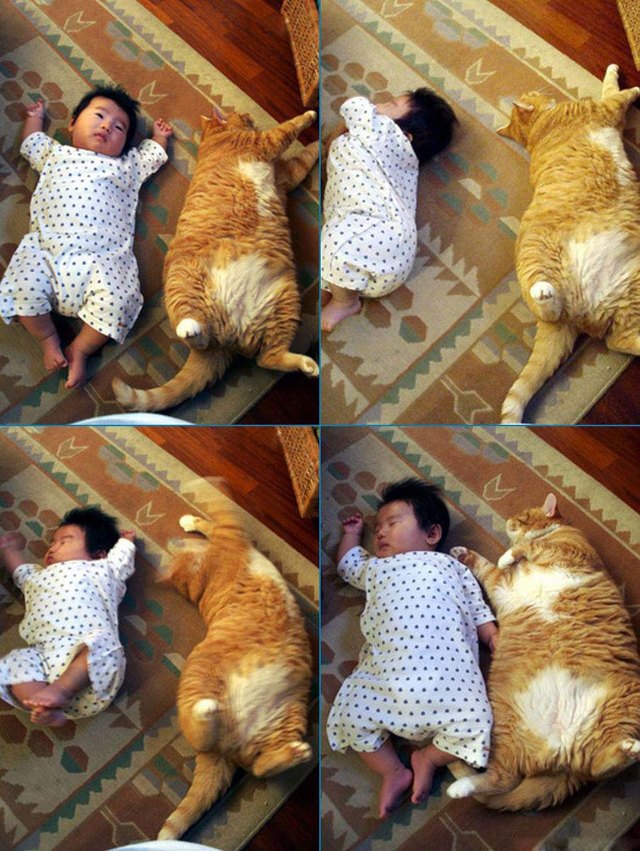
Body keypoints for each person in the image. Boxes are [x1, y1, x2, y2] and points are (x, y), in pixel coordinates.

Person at [326, 478, 497, 818]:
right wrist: (351, 536)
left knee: (478, 722)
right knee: (351, 716)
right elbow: (347, 564)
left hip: (449, 680)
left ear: (431, 534)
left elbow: (476, 607)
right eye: (377, 529)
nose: (381, 533)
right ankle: (392, 769)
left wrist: (491, 635)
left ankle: (427, 758)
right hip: (384, 676)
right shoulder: (376, 568)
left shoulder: (452, 567)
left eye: (392, 523)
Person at [0, 84, 173, 387]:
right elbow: (32, 143)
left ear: (125, 145)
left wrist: (159, 137)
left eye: (119, 127)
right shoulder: (56, 154)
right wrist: (35, 120)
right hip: (47, 253)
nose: (107, 126)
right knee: (21, 285)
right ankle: (48, 339)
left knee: (121, 301)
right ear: (72, 124)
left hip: (102, 263)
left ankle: (80, 348)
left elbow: (152, 156)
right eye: (99, 115)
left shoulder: (125, 166)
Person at [321, 89, 457, 332]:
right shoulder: (399, 161)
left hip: (384, 230)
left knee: (334, 246)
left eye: (390, 103)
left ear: (405, 135)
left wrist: (344, 130)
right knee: (333, 240)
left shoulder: (385, 134)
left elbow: (354, 104)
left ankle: (345, 302)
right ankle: (343, 284)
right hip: (385, 251)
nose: (378, 104)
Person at [0, 506, 136, 727]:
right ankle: (43, 705)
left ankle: (61, 691)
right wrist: (8, 550)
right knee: (13, 662)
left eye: (65, 541)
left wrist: (126, 542)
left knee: (105, 642)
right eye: (53, 542)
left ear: (98, 554)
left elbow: (121, 561)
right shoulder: (38, 576)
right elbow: (20, 572)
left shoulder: (102, 569)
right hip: (44, 657)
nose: (53, 547)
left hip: (88, 663)